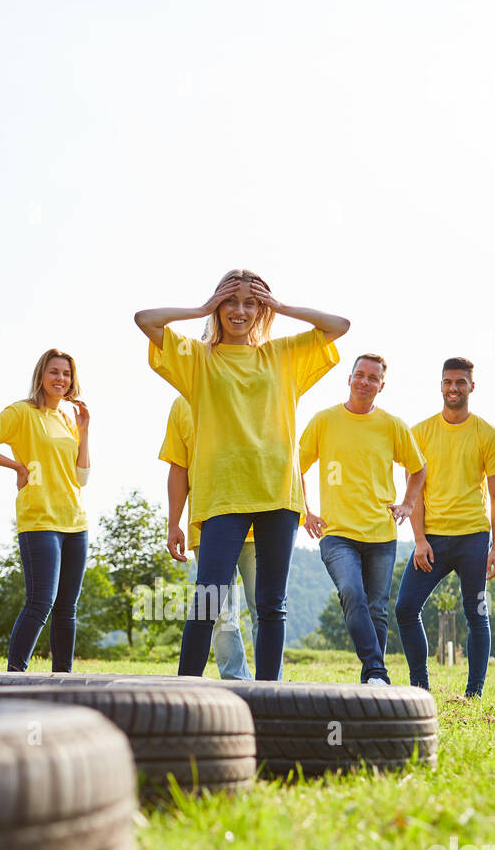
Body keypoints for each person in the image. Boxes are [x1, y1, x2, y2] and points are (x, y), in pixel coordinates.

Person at [135, 269, 349, 680]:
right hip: (222, 495)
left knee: (271, 604)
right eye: (231, 301)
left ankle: (269, 697)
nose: (240, 310)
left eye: (251, 302)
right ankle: (185, 694)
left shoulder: (282, 355)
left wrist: (282, 306)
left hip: (276, 494)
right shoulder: (199, 359)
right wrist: (200, 307)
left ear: (261, 309)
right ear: (218, 307)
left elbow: (339, 326)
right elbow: (146, 319)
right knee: (209, 598)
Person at [300, 354, 425, 685]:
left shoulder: (392, 425)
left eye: (373, 378)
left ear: (381, 385)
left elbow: (418, 467)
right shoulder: (324, 421)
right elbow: (293, 466)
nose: (365, 382)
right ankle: (377, 671)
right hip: (337, 532)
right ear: (349, 378)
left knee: (377, 609)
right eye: (360, 375)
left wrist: (408, 504)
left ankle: (372, 678)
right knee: (352, 592)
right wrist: (304, 510)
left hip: (381, 533)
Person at [0, 349, 90, 672]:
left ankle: (63, 679)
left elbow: (82, 477)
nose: (61, 379)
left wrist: (85, 431)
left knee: (67, 608)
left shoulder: (68, 419)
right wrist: (15, 465)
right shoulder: (22, 413)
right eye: (54, 372)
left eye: (66, 374)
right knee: (41, 602)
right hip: (39, 521)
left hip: (75, 522)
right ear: (41, 376)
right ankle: (14, 676)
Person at [395, 357, 495, 698]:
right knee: (405, 608)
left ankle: (473, 694)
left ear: (472, 386)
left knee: (476, 612)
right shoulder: (419, 433)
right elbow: (413, 492)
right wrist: (418, 539)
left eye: (461, 382)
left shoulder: (488, 435)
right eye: (448, 382)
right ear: (441, 385)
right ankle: (420, 687)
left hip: (473, 539)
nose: (454, 388)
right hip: (431, 540)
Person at [159, 395, 258, 679]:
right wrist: (173, 523)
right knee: (218, 612)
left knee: (265, 609)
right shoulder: (182, 404)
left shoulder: (252, 385)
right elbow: (178, 467)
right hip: (208, 523)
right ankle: (237, 680)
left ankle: (268, 686)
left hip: (258, 520)